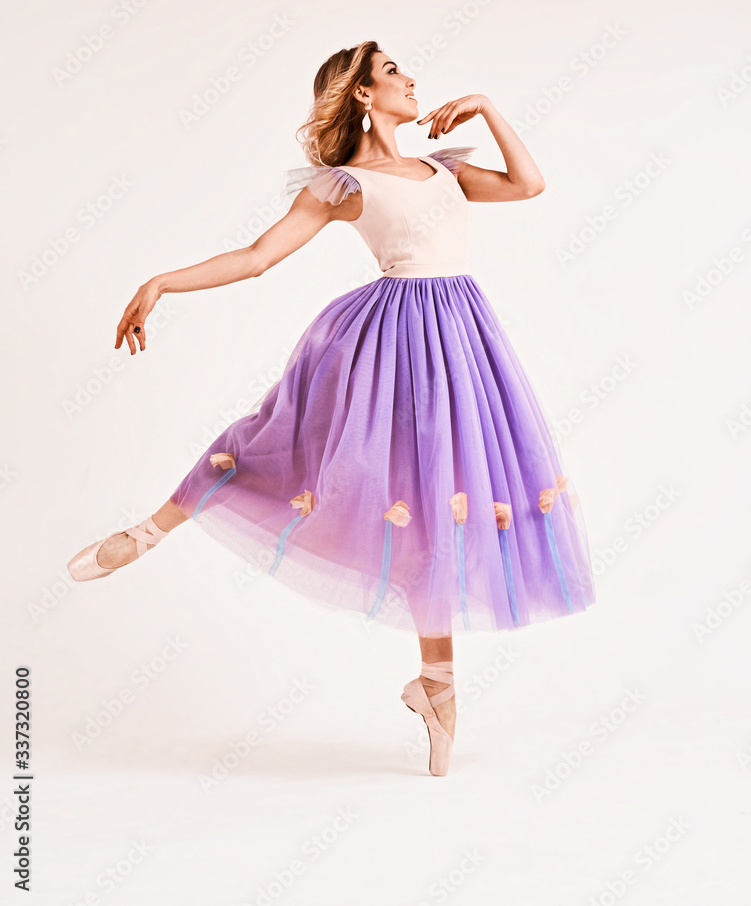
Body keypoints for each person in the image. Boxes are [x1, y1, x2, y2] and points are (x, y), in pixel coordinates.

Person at [67, 40, 596, 777]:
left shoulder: (443, 168)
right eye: (392, 73)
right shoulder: (344, 183)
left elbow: (527, 185)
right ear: (361, 96)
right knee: (275, 442)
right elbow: (257, 256)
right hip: (389, 344)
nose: (411, 79)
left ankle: (435, 685)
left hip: (462, 345)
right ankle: (152, 529)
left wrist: (487, 107)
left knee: (436, 498)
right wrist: (163, 282)